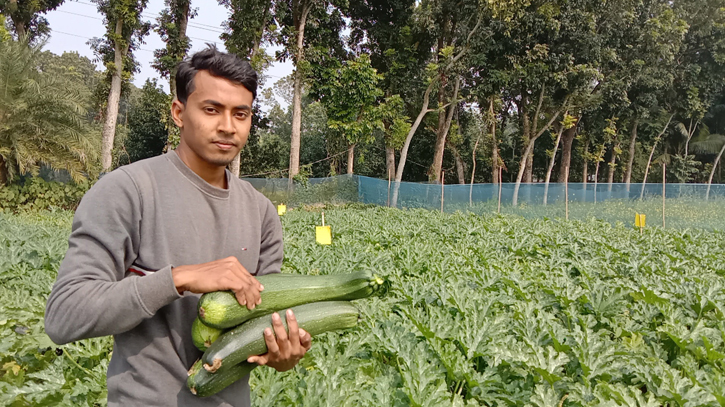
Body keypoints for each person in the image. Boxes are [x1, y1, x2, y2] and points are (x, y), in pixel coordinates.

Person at [44, 46, 311, 406]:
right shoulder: (128, 191)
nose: (227, 126)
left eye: (241, 114)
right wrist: (178, 278)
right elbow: (64, 315)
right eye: (211, 109)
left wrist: (282, 354)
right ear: (179, 112)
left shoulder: (262, 213)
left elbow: (257, 326)